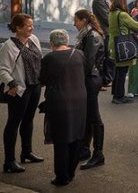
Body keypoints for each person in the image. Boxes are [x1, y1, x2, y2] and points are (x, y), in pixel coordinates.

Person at [39, 30, 87, 187]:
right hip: (80, 100)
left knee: (61, 139)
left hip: (59, 101)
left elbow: (43, 79)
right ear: (67, 40)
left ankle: (62, 176)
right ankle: (71, 172)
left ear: (52, 43)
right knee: (76, 136)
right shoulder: (79, 54)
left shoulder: (49, 58)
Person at [0, 13, 43, 173]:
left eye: (32, 25)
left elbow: (39, 60)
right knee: (13, 123)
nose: (32, 28)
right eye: (28, 26)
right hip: (19, 89)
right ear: (18, 28)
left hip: (35, 86)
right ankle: (9, 161)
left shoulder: (34, 40)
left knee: (28, 120)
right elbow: (2, 69)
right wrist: (11, 84)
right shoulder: (8, 46)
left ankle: (27, 152)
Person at [73, 9, 106, 169]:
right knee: (87, 116)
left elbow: (87, 62)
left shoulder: (92, 36)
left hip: (91, 79)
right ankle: (84, 149)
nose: (74, 23)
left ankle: (98, 153)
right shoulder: (87, 34)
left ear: (84, 20)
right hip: (89, 78)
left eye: (76, 20)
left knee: (94, 117)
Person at [108, 0, 138, 104]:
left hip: (114, 43)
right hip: (123, 45)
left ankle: (116, 94)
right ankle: (119, 96)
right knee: (122, 71)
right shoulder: (122, 14)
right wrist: (134, 17)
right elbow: (135, 26)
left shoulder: (112, 13)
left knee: (117, 71)